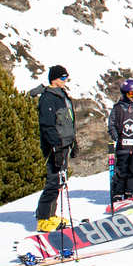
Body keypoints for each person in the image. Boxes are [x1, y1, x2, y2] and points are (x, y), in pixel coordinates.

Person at [35, 65, 75, 232]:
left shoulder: (61, 95)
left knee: (59, 181)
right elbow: (47, 126)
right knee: (53, 181)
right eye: (63, 78)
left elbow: (69, 120)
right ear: (55, 79)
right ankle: (43, 219)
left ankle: (51, 215)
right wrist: (56, 147)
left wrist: (73, 142)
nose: (65, 81)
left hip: (64, 144)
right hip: (54, 147)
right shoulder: (48, 98)